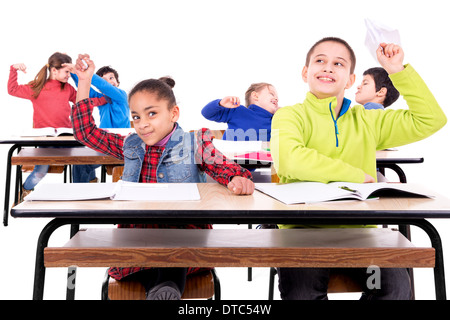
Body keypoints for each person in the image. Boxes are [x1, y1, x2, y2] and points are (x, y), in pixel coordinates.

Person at [271, 37, 446, 300]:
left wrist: (397, 70)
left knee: (393, 287)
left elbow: (431, 119)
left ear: (350, 80)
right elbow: (291, 160)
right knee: (302, 292)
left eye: (338, 64)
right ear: (306, 72)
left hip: (361, 234)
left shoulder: (368, 120)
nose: (328, 68)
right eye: (320, 61)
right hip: (302, 233)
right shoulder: (290, 116)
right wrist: (355, 176)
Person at [72, 54, 254, 300]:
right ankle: (163, 290)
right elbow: (85, 133)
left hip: (184, 234)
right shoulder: (131, 144)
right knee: (146, 257)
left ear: (174, 113)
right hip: (137, 235)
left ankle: (164, 288)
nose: (142, 124)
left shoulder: (194, 143)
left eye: (152, 114)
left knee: (175, 253)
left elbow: (224, 167)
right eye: (136, 116)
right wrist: (84, 83)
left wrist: (235, 179)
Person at [7, 52, 106, 200]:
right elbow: (12, 90)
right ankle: (25, 190)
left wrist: (105, 99)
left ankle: (89, 182)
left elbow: (83, 101)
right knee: (40, 172)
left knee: (89, 154)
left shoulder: (67, 88)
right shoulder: (37, 88)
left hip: (66, 138)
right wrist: (13, 69)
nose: (68, 75)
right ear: (54, 71)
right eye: (66, 72)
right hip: (46, 141)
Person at [71, 65, 131, 183]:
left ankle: (88, 185)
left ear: (117, 82)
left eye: (111, 78)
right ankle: (86, 189)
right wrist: (73, 71)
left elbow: (105, 87)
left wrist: (88, 74)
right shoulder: (100, 98)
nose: (109, 82)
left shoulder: (122, 96)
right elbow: (84, 84)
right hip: (104, 143)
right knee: (80, 162)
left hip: (121, 145)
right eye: (104, 79)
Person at [201, 83, 279, 141]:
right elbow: (207, 113)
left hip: (259, 161)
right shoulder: (238, 111)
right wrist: (220, 103)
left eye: (277, 97)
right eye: (272, 94)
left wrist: (284, 114)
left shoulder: (276, 121)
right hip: (229, 158)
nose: (276, 99)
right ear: (255, 96)